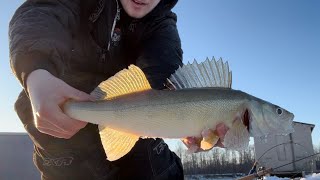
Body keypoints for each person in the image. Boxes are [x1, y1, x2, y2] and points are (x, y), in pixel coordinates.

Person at [9, 0, 227, 179]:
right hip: (63, 115)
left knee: (156, 169)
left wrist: (187, 125)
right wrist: (37, 72)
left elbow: (165, 68)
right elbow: (42, 13)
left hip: (134, 126)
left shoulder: (162, 25)